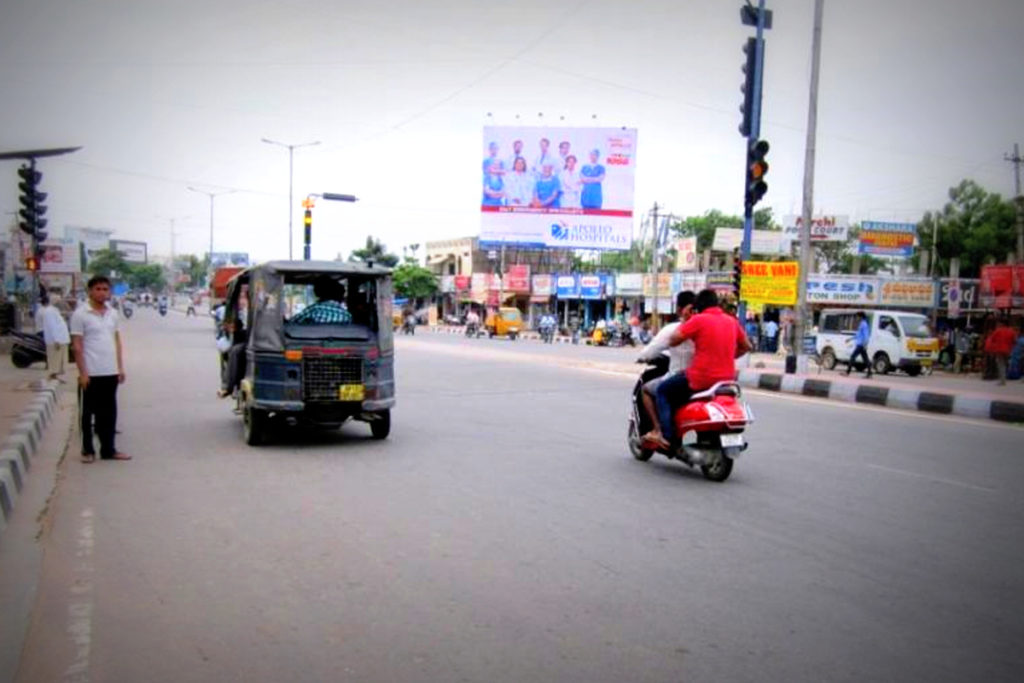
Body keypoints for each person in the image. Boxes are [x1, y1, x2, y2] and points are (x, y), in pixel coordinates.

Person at [653, 289, 751, 448]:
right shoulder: (731, 321)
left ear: (698, 306)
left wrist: (686, 318)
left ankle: (667, 436)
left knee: (662, 391)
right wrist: (726, 356)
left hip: (700, 379)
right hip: (726, 380)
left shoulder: (698, 320)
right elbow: (747, 346)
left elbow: (673, 340)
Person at [70, 276, 130, 463]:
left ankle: (108, 449)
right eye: (98, 289)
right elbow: (77, 346)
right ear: (90, 291)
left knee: (109, 412)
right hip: (91, 372)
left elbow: (117, 341)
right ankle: (88, 451)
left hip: (110, 371)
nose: (102, 292)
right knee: (88, 413)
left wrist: (120, 367)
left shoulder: (112, 313)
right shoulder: (81, 314)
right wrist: (83, 373)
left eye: (105, 289)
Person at [637, 291, 696, 446]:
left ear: (679, 309)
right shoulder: (706, 326)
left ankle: (660, 430)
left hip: (680, 375)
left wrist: (643, 356)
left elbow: (654, 347)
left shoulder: (675, 329)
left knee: (648, 390)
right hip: (703, 378)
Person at [39, 294, 71, 381]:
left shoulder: (55, 311)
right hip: (56, 341)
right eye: (59, 301)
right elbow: (52, 326)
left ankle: (57, 376)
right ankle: (52, 376)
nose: (60, 302)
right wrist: (56, 339)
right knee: (55, 360)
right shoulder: (49, 312)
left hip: (62, 340)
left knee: (60, 360)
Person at [984, 318, 1018, 386]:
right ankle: (1004, 378)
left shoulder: (998, 330)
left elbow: (992, 339)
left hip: (999, 350)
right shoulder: (1011, 331)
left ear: (1002, 324)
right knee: (1005, 364)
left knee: (1001, 365)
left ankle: (1002, 381)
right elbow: (1015, 341)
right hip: (1008, 350)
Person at [846, 311, 872, 378]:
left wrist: (865, 344)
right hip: (860, 344)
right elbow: (858, 335)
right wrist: (850, 339)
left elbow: (866, 335)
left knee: (852, 357)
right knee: (865, 359)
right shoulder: (861, 324)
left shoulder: (864, 324)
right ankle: (869, 373)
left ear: (861, 317)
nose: (856, 318)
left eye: (857, 316)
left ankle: (847, 372)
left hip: (861, 345)